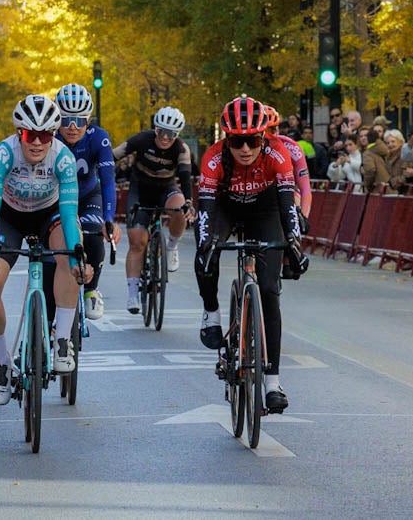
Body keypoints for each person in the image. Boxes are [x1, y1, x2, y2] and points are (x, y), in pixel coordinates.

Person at [194, 96, 307, 415]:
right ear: (226, 139)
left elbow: (288, 206)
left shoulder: (277, 154)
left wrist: (295, 244)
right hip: (226, 206)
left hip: (264, 209)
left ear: (263, 137)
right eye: (236, 142)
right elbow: (205, 213)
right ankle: (211, 313)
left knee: (269, 290)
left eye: (253, 141)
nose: (245, 149)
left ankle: (273, 383)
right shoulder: (213, 158)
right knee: (206, 256)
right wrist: (205, 247)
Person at [0, 94, 91, 404]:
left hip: (49, 216)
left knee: (70, 253)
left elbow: (69, 212)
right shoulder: (3, 154)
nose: (38, 142)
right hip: (8, 217)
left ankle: (62, 339)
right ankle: (2, 364)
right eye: (30, 135)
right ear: (19, 133)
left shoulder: (62, 158)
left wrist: (77, 254)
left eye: (45, 135)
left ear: (53, 135)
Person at [114, 105, 194, 314]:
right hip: (140, 190)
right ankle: (133, 294)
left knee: (179, 208)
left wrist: (189, 202)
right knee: (137, 242)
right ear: (155, 129)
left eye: (171, 134)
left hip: (166, 189)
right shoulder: (142, 139)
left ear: (177, 135)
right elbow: (114, 155)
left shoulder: (181, 149)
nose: (165, 137)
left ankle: (172, 245)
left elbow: (185, 177)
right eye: (161, 131)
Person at [53, 83, 115, 321]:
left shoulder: (99, 138)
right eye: (66, 119)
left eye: (79, 121)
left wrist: (108, 219)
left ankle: (91, 290)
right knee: (54, 249)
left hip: (88, 196)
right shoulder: (48, 137)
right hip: (56, 199)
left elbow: (108, 181)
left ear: (88, 121)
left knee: (93, 235)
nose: (72, 127)